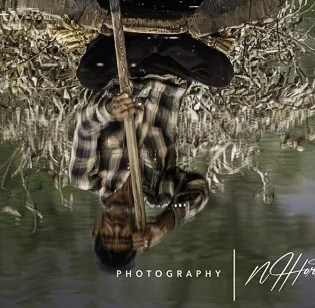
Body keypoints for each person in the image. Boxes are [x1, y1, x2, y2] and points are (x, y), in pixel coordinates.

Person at [69, 31, 234, 271]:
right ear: (135, 233)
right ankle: (162, 39)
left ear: (97, 229)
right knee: (222, 75)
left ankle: (144, 39)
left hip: (123, 65)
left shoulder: (87, 178)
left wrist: (109, 110)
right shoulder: (159, 192)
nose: (116, 228)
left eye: (108, 235)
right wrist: (163, 225)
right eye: (124, 237)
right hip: (172, 69)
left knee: (87, 75)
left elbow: (85, 127)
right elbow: (198, 190)